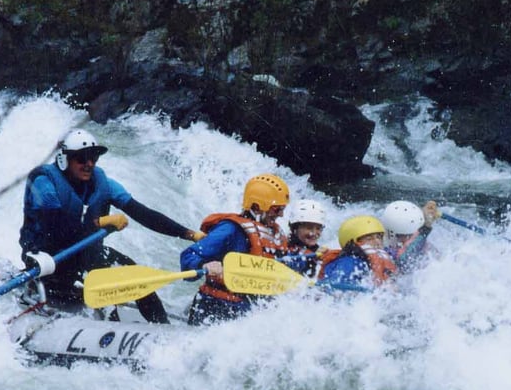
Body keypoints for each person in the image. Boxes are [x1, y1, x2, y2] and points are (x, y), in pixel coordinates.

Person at [19, 128, 203, 323]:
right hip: (50, 259)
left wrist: (190, 234)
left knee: (135, 275)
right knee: (99, 292)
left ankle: (162, 326)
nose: (89, 164)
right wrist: (100, 222)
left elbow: (144, 214)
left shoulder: (103, 184)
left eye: (93, 158)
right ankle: (108, 323)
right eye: (82, 158)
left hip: (85, 255)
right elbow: (55, 226)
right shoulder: (43, 183)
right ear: (64, 159)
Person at [180, 173, 291, 325]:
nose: (281, 214)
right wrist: (204, 265)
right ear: (256, 207)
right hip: (217, 307)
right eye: (276, 209)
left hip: (252, 311)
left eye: (283, 209)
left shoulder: (275, 235)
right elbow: (188, 256)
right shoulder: (230, 229)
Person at [319, 215, 398, 289]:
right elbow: (336, 287)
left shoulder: (384, 258)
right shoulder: (348, 262)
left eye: (379, 237)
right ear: (355, 243)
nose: (377, 242)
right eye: (369, 239)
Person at [381, 199, 440, 274]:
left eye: (416, 230)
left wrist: (425, 218)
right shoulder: (387, 252)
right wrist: (426, 228)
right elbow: (403, 261)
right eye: (408, 235)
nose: (414, 236)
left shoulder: (421, 240)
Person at [280, 199, 328, 277]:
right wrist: (313, 259)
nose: (314, 233)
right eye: (309, 228)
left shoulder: (317, 251)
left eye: (318, 228)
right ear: (295, 228)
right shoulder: (284, 249)